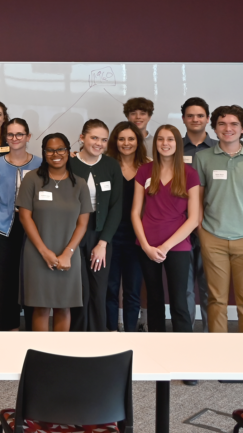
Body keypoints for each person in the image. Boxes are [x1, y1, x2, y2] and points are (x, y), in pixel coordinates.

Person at [195, 105, 243, 334]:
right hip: (213, 238)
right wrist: (202, 231)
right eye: (221, 124)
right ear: (215, 127)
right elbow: (197, 199)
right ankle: (218, 353)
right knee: (216, 300)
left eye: (233, 124)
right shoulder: (203, 158)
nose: (227, 129)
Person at [17, 133, 92, 332]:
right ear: (44, 152)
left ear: (68, 152)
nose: (55, 154)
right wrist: (45, 252)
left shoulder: (80, 183)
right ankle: (40, 356)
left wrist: (67, 253)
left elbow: (83, 223)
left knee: (64, 305)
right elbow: (25, 217)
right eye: (50, 150)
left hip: (69, 254)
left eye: (60, 149)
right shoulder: (32, 179)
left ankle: (60, 355)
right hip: (37, 252)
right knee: (40, 307)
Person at [133, 125, 201, 333]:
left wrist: (165, 246)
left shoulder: (189, 173)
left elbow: (194, 218)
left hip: (177, 246)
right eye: (161, 139)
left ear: (177, 144)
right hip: (147, 246)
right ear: (155, 144)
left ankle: (183, 352)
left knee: (179, 301)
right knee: (154, 300)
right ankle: (156, 349)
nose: (165, 143)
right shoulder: (144, 171)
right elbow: (135, 213)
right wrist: (146, 246)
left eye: (170, 139)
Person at [68, 119, 123, 332]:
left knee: (99, 289)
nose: (99, 143)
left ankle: (98, 336)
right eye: (94, 138)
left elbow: (116, 207)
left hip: (101, 233)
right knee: (78, 289)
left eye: (103, 139)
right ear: (82, 138)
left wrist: (103, 243)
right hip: (74, 232)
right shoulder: (69, 163)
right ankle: (77, 335)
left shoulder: (111, 166)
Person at [0, 118, 41, 331]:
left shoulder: (40, 164)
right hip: (3, 228)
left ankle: (32, 327)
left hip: (33, 230)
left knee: (30, 278)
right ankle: (7, 328)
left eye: (20, 134)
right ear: (5, 137)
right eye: (10, 134)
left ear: (28, 137)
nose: (15, 138)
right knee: (4, 282)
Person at [104, 121, 147, 333]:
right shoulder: (106, 165)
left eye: (131, 138)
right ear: (115, 141)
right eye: (121, 139)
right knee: (110, 289)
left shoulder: (148, 167)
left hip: (137, 238)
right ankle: (111, 332)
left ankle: (131, 334)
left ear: (138, 141)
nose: (126, 143)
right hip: (110, 237)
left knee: (132, 290)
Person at [181, 96, 217, 333]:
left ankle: (209, 336)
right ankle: (186, 335)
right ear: (183, 118)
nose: (195, 119)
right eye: (190, 115)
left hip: (210, 225)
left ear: (207, 119)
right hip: (179, 226)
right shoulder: (172, 147)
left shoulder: (218, 148)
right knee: (184, 286)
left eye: (200, 115)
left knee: (209, 285)